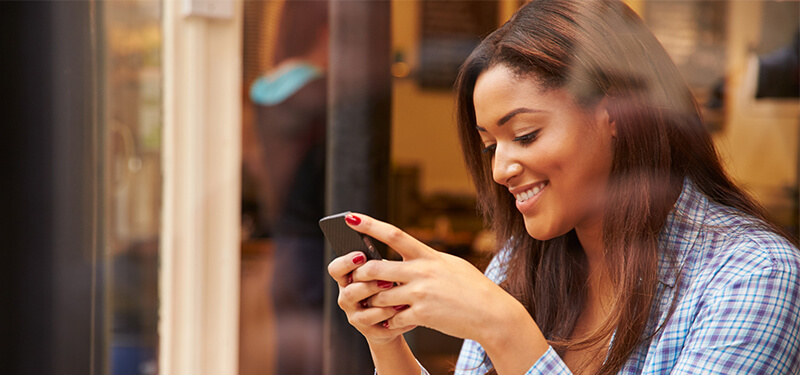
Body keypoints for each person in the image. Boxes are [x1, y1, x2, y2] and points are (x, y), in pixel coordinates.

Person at [327, 0, 800, 374]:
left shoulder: (754, 275)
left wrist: (506, 330)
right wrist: (388, 344)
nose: (500, 169)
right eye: (491, 146)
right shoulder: (518, 262)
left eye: (526, 135)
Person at [246, 1, 328, 374]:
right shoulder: (321, 94)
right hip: (316, 250)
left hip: (285, 250)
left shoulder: (265, 93)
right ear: (325, 30)